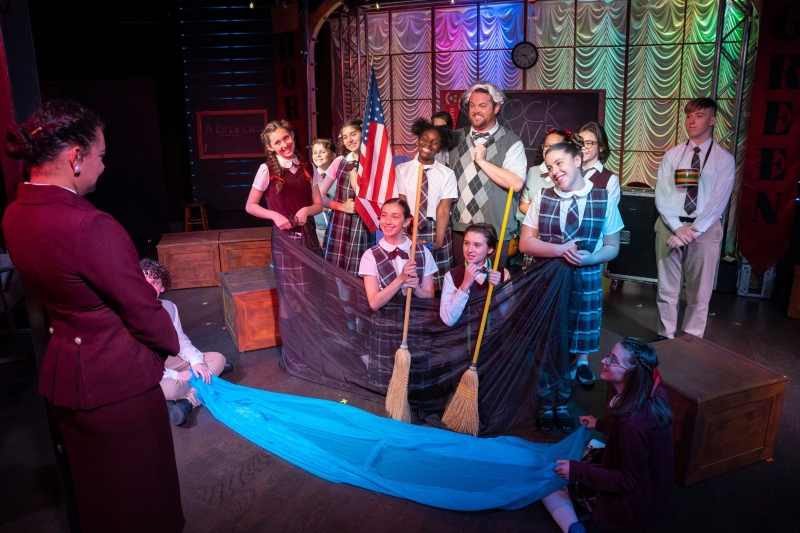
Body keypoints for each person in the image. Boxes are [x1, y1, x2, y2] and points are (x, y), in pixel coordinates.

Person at [2, 99, 184, 532]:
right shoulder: (90, 226)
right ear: (75, 158)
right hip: (118, 386)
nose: (104, 165)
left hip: (66, 377)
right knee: (145, 506)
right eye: (100, 155)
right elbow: (145, 311)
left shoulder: (14, 215)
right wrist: (170, 346)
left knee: (99, 502)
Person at [519, 134, 623, 432]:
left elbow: (612, 246)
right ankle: (544, 403)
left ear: (577, 160)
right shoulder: (543, 197)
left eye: (560, 163)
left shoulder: (603, 199)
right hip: (548, 279)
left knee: (573, 344)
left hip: (585, 279)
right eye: (550, 166)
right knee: (548, 343)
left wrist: (590, 258)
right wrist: (560, 250)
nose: (555, 171)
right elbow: (526, 243)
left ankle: (561, 403)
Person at [542, 338, 673, 533]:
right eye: (608, 355)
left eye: (613, 360)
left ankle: (573, 527)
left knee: (551, 482)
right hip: (652, 490)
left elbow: (628, 481)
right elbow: (633, 441)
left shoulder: (632, 424)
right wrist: (599, 424)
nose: (603, 361)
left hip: (632, 508)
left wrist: (579, 471)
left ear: (629, 374)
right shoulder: (652, 393)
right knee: (580, 457)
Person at [654, 98, 734, 339]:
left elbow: (717, 202)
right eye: (689, 116)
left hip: (704, 229)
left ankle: (691, 339)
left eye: (699, 116)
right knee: (666, 289)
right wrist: (678, 228)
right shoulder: (674, 154)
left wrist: (692, 231)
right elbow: (662, 195)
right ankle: (665, 335)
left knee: (699, 293)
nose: (692, 121)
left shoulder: (723, 159)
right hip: (670, 226)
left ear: (712, 120)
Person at [140, 258, 233, 426]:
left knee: (218, 359)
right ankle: (206, 381)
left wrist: (197, 362)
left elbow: (180, 340)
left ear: (162, 287)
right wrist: (174, 375)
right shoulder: (128, 313)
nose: (148, 288)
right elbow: (138, 359)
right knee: (172, 389)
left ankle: (188, 401)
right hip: (146, 368)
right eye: (143, 282)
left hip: (168, 359)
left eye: (154, 282)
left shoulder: (169, 307)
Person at [448, 81, 526, 269]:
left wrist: (482, 162)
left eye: (482, 106)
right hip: (460, 228)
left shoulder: (511, 141)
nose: (476, 111)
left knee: (492, 282)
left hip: (495, 230)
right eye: (472, 105)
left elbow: (516, 183)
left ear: (496, 108)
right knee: (461, 281)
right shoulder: (454, 138)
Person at [397, 119, 458, 291]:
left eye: (434, 142)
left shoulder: (447, 174)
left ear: (439, 148)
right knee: (412, 280)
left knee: (436, 283)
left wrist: (438, 241)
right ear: (418, 140)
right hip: (410, 227)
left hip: (436, 228)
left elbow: (444, 210)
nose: (428, 145)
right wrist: (409, 235)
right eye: (424, 139)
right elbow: (402, 206)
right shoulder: (402, 169)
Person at [246, 119, 323, 253]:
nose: (284, 144)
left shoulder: (308, 167)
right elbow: (250, 205)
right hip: (284, 236)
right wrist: (274, 216)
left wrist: (306, 210)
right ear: (270, 147)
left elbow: (318, 205)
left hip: (308, 234)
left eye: (286, 138)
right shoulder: (266, 169)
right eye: (277, 142)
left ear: (292, 135)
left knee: (312, 268)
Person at [320, 118, 376, 276]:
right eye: (345, 137)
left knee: (359, 270)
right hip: (340, 222)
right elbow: (319, 196)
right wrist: (341, 206)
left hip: (362, 223)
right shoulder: (340, 161)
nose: (349, 140)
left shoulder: (373, 163)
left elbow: (367, 194)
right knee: (335, 270)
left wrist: (354, 177)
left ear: (363, 134)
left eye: (353, 134)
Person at [359, 198, 437, 310]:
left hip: (416, 318)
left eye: (395, 217)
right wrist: (401, 279)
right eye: (384, 216)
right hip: (384, 319)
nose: (387, 221)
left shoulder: (423, 252)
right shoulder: (370, 256)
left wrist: (416, 289)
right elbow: (374, 303)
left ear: (406, 222)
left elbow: (430, 297)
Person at [440, 223, 510, 326]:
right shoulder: (451, 276)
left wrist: (499, 290)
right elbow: (448, 320)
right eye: (466, 243)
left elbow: (509, 314)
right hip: (463, 334)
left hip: (493, 334)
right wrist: (464, 285)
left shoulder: (503, 273)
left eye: (477, 245)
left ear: (490, 249)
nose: (469, 250)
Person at [519, 127, 570, 217]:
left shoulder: (571, 173)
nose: (549, 149)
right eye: (546, 146)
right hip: (535, 223)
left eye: (554, 146)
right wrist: (542, 218)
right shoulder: (533, 171)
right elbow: (523, 204)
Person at [576, 122, 620, 207]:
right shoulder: (569, 172)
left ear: (601, 147)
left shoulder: (611, 180)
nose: (582, 147)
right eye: (580, 143)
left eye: (588, 143)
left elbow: (609, 211)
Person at [311, 138, 337, 243]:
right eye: (315, 152)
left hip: (336, 226)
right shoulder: (309, 177)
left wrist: (329, 206)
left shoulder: (340, 177)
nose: (318, 155)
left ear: (333, 155)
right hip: (316, 228)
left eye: (322, 152)